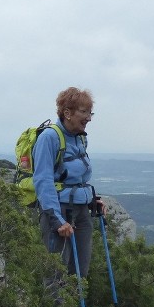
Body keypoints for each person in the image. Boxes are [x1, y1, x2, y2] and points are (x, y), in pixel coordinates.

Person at [32, 87, 103, 280]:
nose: (89, 118)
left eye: (90, 112)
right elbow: (43, 180)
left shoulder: (79, 138)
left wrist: (91, 200)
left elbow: (76, 176)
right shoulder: (49, 137)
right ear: (67, 113)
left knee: (79, 273)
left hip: (81, 211)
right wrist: (56, 219)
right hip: (59, 211)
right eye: (84, 111)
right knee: (56, 274)